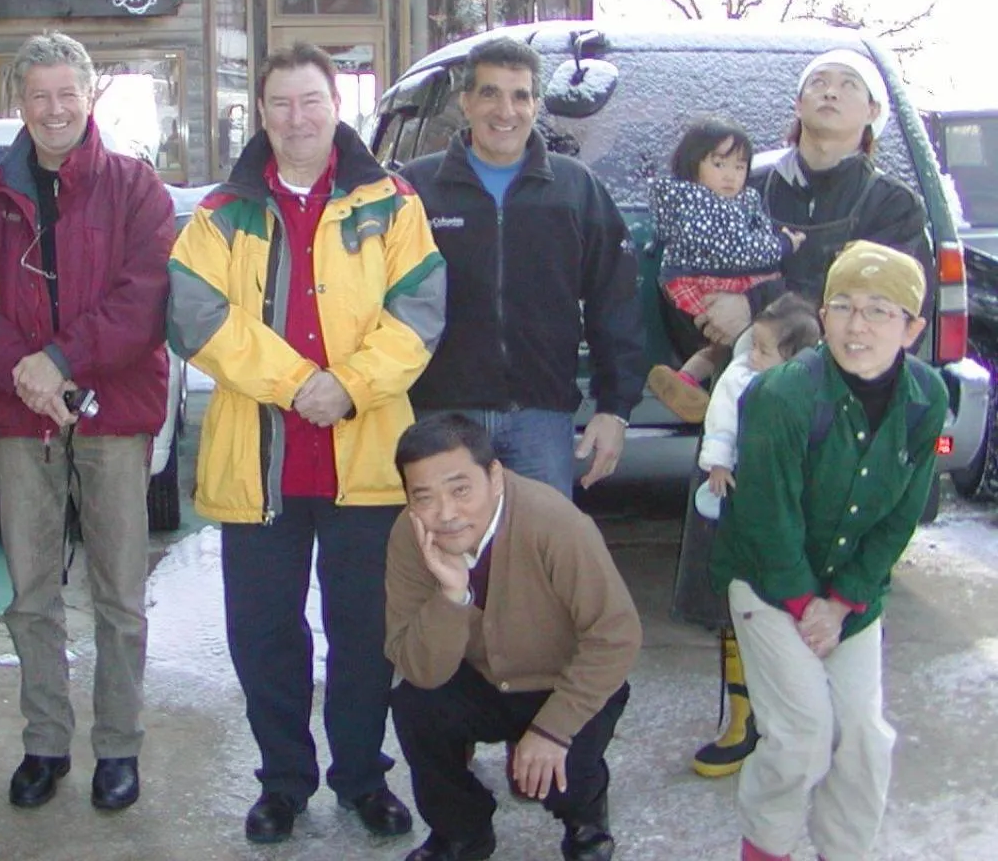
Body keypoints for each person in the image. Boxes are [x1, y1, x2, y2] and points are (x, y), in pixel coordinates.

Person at [169, 43, 446, 845]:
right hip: (260, 467)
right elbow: (195, 316)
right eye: (282, 104)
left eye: (312, 102)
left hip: (366, 462)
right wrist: (299, 385)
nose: (297, 119)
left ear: (337, 108)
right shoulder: (221, 213)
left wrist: (350, 384)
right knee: (265, 634)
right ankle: (283, 781)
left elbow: (419, 312)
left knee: (364, 633)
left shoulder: (392, 203)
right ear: (261, 114)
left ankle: (362, 778)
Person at [0, 32, 174, 813]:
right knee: (32, 592)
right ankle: (46, 742)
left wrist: (61, 362)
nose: (53, 110)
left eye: (65, 94)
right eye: (37, 95)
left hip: (113, 413)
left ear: (89, 96)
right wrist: (25, 372)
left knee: (120, 594)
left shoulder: (134, 187)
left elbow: (144, 300)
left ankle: (119, 747)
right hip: (20, 418)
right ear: (20, 103)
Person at [710, 241, 946, 861]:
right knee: (802, 736)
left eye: (879, 310)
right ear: (821, 315)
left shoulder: (926, 398)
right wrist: (802, 600)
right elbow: (765, 512)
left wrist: (843, 600)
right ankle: (768, 848)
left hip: (850, 594)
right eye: (842, 306)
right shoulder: (784, 395)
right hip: (767, 580)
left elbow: (902, 512)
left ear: (913, 328)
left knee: (865, 739)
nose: (857, 325)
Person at [385, 413, 640, 861]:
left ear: (495, 477)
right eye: (423, 497)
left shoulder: (554, 522)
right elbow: (419, 667)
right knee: (415, 705)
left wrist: (552, 730)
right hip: (481, 677)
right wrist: (452, 595)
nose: (445, 513)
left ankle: (585, 818)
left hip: (563, 678)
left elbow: (616, 634)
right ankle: (461, 830)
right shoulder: (411, 536)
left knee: (560, 776)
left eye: (460, 489)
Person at [402, 37, 645, 497]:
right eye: (490, 93)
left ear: (536, 105)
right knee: (445, 557)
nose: (505, 110)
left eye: (520, 96)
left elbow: (615, 302)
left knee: (539, 561)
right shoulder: (417, 188)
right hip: (439, 417)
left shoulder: (574, 189)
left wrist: (615, 409)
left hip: (541, 418)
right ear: (466, 102)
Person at [670, 294, 821, 779]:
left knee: (794, 611)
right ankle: (742, 720)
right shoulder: (738, 376)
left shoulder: (815, 385)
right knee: (733, 605)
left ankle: (801, 724)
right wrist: (717, 461)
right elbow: (720, 422)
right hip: (734, 497)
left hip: (796, 510)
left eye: (762, 349)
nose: (752, 355)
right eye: (751, 346)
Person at [695, 49, 931, 350]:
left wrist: (754, 307)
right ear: (798, 105)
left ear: (872, 111)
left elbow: (884, 304)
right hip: (742, 374)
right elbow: (701, 272)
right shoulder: (743, 187)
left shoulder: (894, 206)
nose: (831, 92)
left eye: (849, 85)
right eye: (818, 83)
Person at [646, 118, 805, 423]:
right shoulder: (700, 203)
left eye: (740, 166)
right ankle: (717, 392)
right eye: (719, 164)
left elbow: (750, 234)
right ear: (693, 165)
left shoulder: (729, 200)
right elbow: (740, 250)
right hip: (702, 281)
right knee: (742, 335)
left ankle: (693, 384)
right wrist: (783, 245)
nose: (731, 176)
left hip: (718, 277)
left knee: (727, 341)